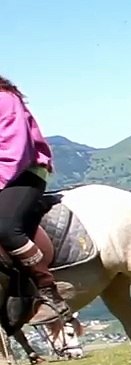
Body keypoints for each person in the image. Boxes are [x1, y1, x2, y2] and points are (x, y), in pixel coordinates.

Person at [0, 75, 72, 323]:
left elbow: (14, 152)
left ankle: (48, 290)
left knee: (6, 227)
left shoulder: (5, 100)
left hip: (24, 172)